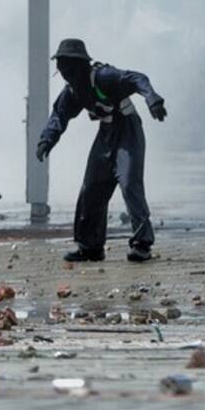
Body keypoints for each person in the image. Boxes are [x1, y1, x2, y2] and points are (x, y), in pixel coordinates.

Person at [36, 39, 166, 263]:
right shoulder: (74, 91)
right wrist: (46, 140)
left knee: (129, 183)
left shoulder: (105, 76)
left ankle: (142, 244)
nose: (65, 73)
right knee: (91, 188)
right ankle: (90, 247)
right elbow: (59, 115)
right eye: (61, 67)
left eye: (67, 66)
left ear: (80, 64)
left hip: (128, 130)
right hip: (105, 134)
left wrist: (153, 99)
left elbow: (138, 79)